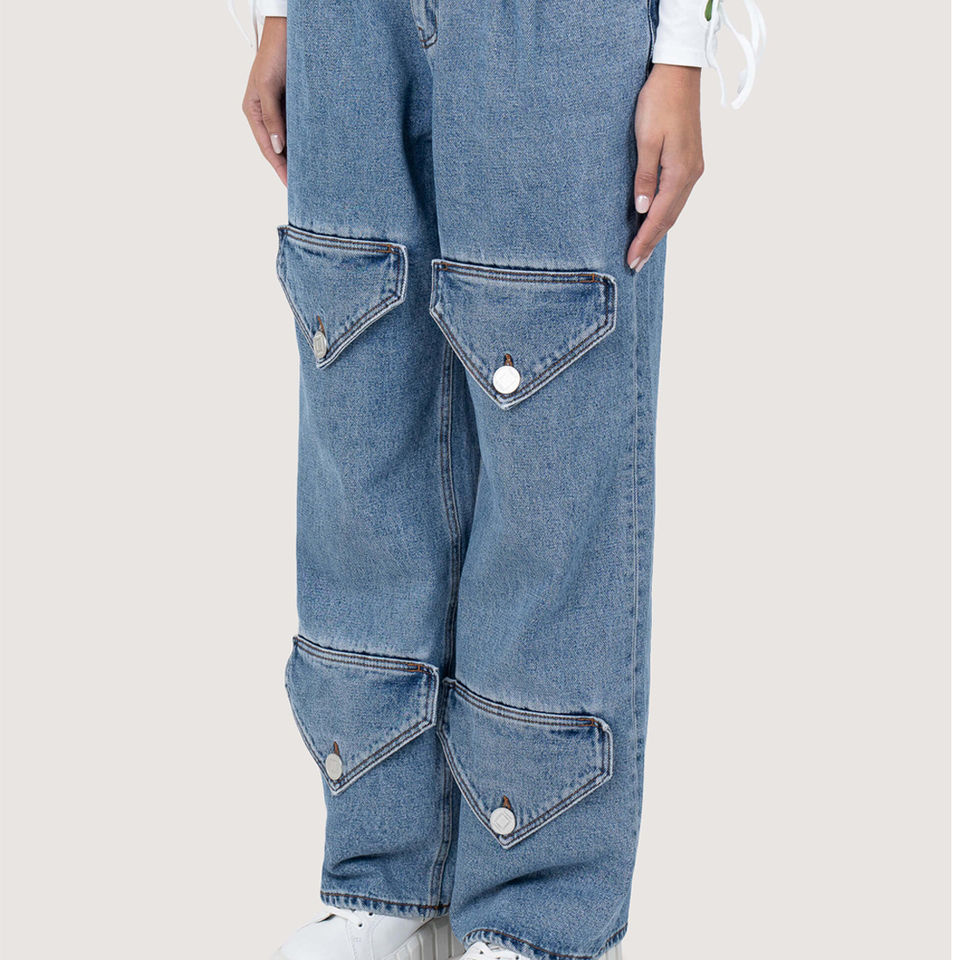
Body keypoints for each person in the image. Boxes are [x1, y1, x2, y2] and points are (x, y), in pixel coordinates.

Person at [235, 2, 763, 959]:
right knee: (361, 432)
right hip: (346, 24)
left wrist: (682, 49)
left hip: (561, 27)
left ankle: (539, 912)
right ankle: (390, 878)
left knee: (551, 462)